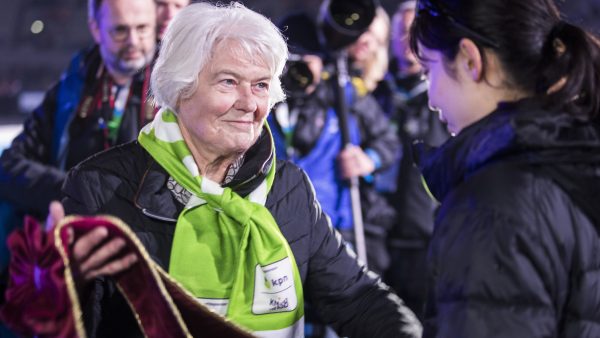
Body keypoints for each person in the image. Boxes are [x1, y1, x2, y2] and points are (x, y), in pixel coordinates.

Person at [51, 3, 421, 337]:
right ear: (181, 87)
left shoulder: (287, 187)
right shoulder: (101, 186)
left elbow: (358, 298)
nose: (249, 104)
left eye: (260, 85)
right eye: (229, 81)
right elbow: (70, 323)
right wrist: (55, 282)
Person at [409, 0, 600, 336]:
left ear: (470, 60)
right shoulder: (579, 156)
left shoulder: (491, 205)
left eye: (428, 71)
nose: (432, 99)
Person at [0, 0, 157, 320]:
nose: (134, 41)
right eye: (120, 30)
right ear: (95, 28)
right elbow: (9, 165)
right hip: (71, 263)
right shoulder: (70, 89)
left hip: (143, 266)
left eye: (143, 29)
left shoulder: (174, 93)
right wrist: (74, 195)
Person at [271, 13, 400, 276]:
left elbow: (388, 140)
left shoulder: (343, 95)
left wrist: (368, 160)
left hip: (336, 224)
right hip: (280, 226)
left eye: (309, 59)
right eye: (291, 59)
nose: (300, 69)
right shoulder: (266, 99)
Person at [375, 0, 449, 319]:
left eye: (414, 32)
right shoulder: (376, 95)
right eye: (402, 33)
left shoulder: (444, 97)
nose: (408, 40)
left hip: (427, 238)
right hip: (379, 235)